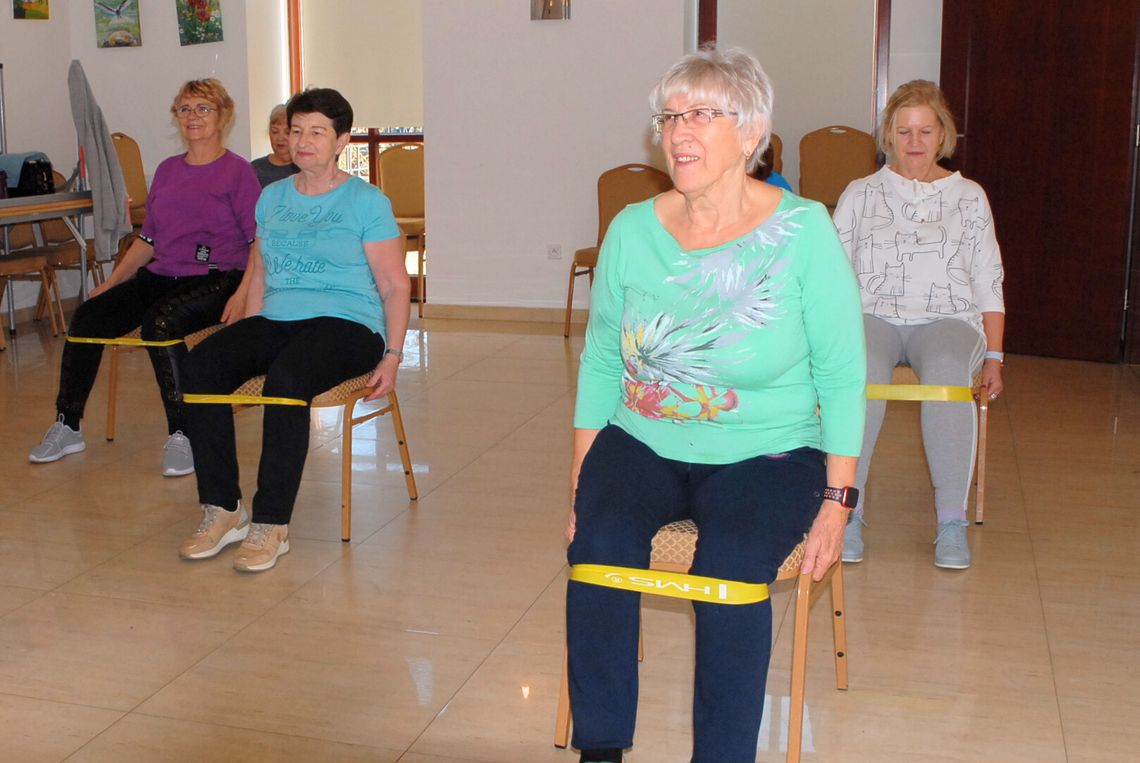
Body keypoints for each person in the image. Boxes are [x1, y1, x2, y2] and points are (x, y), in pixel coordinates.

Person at [566, 47, 865, 763]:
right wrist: (583, 474)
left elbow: (843, 369)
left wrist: (839, 496)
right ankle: (601, 746)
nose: (679, 131)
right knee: (598, 545)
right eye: (670, 116)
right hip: (642, 437)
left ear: (752, 130)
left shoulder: (804, 231)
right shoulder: (634, 229)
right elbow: (603, 355)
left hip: (770, 449)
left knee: (728, 567)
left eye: (702, 113)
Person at [177, 87, 410, 573]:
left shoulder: (366, 202)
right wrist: (246, 336)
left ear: (342, 139)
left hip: (349, 324)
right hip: (278, 318)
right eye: (296, 130)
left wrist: (391, 355)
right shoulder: (272, 198)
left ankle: (271, 523)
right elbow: (260, 273)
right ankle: (223, 509)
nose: (302, 141)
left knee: (287, 379)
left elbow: (393, 284)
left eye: (317, 132)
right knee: (199, 368)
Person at [28, 78, 259, 477]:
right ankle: (68, 425)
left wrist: (245, 294)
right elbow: (148, 239)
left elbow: (259, 242)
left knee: (160, 323)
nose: (193, 117)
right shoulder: (168, 171)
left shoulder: (237, 173)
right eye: (185, 109)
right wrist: (113, 282)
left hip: (220, 276)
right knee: (88, 317)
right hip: (163, 274)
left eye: (203, 108)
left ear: (223, 116)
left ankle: (184, 432)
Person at [833, 79, 1005, 570]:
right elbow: (831, 273)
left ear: (943, 135)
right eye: (904, 131)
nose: (914, 142)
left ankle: (951, 521)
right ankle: (847, 511)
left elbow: (989, 277)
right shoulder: (860, 193)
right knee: (859, 369)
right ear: (889, 134)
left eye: (925, 131)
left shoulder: (969, 196)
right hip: (873, 315)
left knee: (949, 371)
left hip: (947, 319)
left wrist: (994, 355)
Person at [250, 104, 299, 188]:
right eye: (275, 131)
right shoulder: (254, 169)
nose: (280, 138)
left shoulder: (305, 167)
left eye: (287, 132)